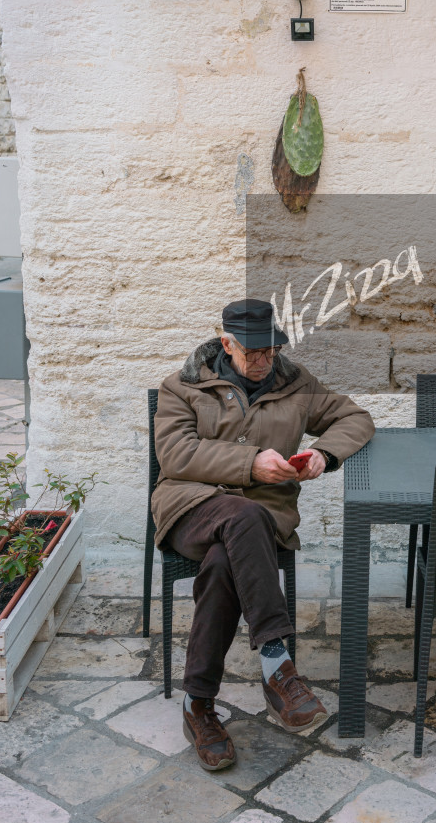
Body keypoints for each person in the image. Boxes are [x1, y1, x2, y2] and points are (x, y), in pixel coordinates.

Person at [151, 298, 375, 771]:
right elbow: (175, 455)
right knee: (242, 516)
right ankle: (277, 662)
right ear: (226, 342)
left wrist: (324, 454)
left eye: (271, 349)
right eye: (252, 351)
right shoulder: (183, 386)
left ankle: (197, 705)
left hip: (257, 520)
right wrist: (249, 463)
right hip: (190, 506)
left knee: (222, 562)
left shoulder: (296, 385)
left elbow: (355, 418)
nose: (263, 360)